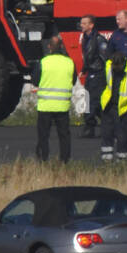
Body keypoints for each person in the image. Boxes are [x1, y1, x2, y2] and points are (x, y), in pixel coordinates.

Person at [32, 34, 76, 164]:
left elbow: (35, 80)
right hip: (62, 105)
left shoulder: (43, 62)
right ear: (62, 47)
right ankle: (65, 160)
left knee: (43, 136)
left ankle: (43, 159)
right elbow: (73, 81)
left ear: (49, 47)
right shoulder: (69, 62)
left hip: (45, 106)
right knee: (64, 135)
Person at [99, 51, 127, 162]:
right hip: (109, 107)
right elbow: (101, 83)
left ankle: (122, 163)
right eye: (114, 67)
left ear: (123, 64)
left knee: (122, 138)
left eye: (117, 67)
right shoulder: (108, 66)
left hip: (124, 110)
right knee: (106, 135)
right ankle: (106, 161)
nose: (115, 69)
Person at [78, 14, 108, 137]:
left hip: (98, 73)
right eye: (81, 23)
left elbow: (105, 57)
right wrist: (84, 69)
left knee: (93, 100)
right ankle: (104, 124)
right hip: (90, 72)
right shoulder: (86, 38)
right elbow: (88, 57)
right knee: (89, 99)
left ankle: (91, 126)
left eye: (85, 23)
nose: (82, 25)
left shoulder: (99, 39)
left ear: (91, 25)